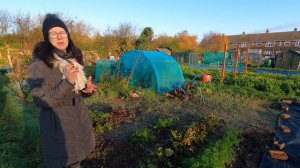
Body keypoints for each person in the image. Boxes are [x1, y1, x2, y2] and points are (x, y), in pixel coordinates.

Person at [28, 13, 97, 168]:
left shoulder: (73, 59)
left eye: (62, 32)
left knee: (76, 160)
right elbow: (40, 99)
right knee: (64, 161)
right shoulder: (39, 65)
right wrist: (68, 82)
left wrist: (86, 90)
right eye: (53, 33)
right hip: (59, 125)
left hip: (78, 118)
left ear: (68, 35)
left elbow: (74, 91)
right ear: (47, 38)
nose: (59, 36)